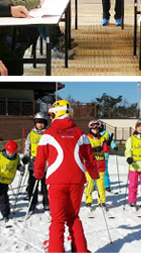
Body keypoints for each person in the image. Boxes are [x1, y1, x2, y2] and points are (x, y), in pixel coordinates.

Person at [33, 100, 98, 253]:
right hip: (77, 181)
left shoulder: (48, 134)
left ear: (57, 113)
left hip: (56, 181)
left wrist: (38, 174)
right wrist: (94, 175)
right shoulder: (81, 134)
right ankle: (81, 250)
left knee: (58, 220)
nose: (51, 117)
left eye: (52, 114)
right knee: (73, 216)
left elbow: (40, 159)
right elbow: (90, 159)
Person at [23, 112, 49, 211]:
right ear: (35, 123)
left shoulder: (48, 134)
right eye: (38, 122)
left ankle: (46, 202)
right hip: (33, 161)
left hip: (45, 162)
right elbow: (28, 146)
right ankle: (32, 202)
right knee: (32, 183)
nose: (40, 125)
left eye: (42, 123)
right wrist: (26, 156)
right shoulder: (31, 134)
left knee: (44, 184)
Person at [85, 120, 111, 207]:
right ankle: (88, 200)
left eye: (97, 129)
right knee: (90, 183)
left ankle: (102, 201)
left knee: (100, 184)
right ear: (90, 129)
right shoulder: (87, 138)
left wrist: (108, 144)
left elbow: (105, 150)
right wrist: (93, 150)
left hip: (101, 164)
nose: (95, 131)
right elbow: (85, 151)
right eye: (93, 129)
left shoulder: (102, 138)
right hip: (90, 165)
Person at [99, 121, 118, 192]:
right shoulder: (95, 134)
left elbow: (111, 142)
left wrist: (114, 146)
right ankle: (95, 185)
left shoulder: (107, 134)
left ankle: (106, 185)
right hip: (96, 156)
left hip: (104, 156)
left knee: (105, 171)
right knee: (95, 171)